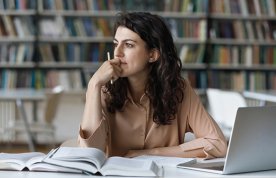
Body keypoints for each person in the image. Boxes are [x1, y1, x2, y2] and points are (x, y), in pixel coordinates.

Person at [78, 12, 227, 159]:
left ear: (152, 55)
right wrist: (94, 84)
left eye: (128, 45)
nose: (117, 53)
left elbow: (218, 144)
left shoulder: (179, 90)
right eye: (116, 44)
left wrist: (152, 153)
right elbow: (88, 154)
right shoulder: (104, 90)